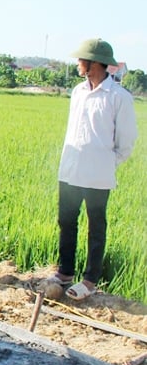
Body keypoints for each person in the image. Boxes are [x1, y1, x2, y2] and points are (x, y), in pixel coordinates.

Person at [44, 38, 138, 301]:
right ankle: (64, 273)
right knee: (66, 222)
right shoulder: (78, 92)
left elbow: (126, 141)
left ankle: (90, 279)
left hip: (98, 175)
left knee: (96, 227)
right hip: (70, 171)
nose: (76, 64)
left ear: (94, 63)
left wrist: (107, 163)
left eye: (80, 60)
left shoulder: (118, 97)